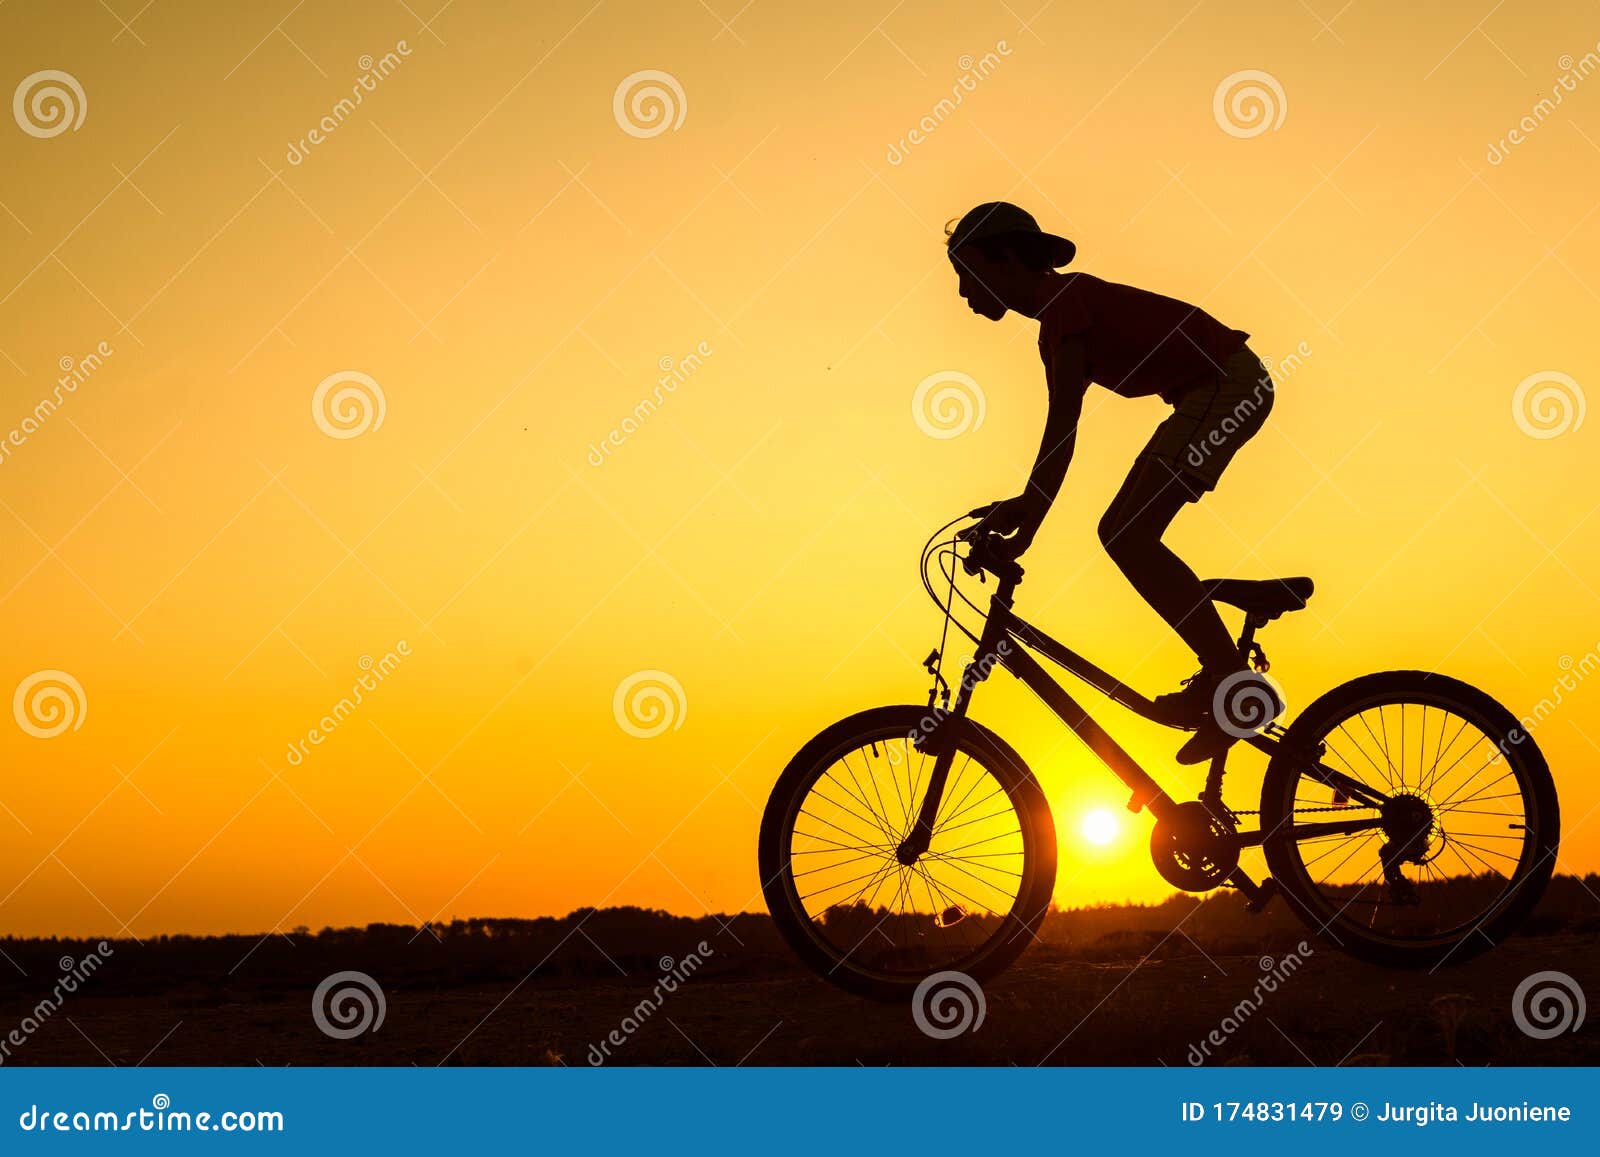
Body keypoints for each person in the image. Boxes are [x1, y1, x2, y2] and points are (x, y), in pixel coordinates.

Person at [947, 200, 1279, 763]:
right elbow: (1062, 435)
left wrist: (1029, 510)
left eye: (966, 274)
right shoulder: (1059, 316)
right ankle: (1226, 676)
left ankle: (1233, 687)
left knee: (1126, 534)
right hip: (1216, 389)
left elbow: (1062, 429)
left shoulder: (1065, 309)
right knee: (1123, 532)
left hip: (1225, 385)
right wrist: (1026, 519)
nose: (961, 293)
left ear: (1002, 261)